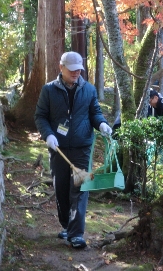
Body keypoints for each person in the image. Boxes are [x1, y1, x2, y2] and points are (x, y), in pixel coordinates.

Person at [35, 51, 112, 249]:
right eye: (72, 70)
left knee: (80, 188)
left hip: (82, 147)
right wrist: (48, 134)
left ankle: (77, 234)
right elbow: (40, 116)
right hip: (58, 148)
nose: (77, 73)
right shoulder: (49, 90)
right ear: (61, 68)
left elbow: (94, 112)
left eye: (79, 69)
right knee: (61, 188)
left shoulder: (89, 90)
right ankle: (67, 225)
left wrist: (102, 124)